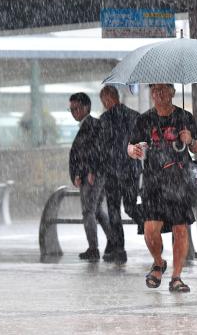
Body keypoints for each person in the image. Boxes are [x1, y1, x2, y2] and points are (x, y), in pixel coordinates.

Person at [127, 83, 197, 292]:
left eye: (162, 89)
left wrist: (191, 141)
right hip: (153, 182)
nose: (158, 94)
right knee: (150, 230)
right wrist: (132, 150)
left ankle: (176, 277)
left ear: (172, 92)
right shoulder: (144, 119)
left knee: (180, 229)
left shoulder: (185, 118)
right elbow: (131, 145)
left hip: (179, 181)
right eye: (154, 90)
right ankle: (159, 262)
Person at [98, 85, 140, 264]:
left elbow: (101, 149)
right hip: (131, 171)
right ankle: (148, 224)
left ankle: (120, 249)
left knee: (114, 211)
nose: (104, 104)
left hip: (113, 173)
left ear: (108, 99)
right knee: (130, 206)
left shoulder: (105, 119)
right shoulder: (135, 116)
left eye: (103, 101)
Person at [68, 92, 111, 262]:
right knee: (97, 211)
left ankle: (93, 248)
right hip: (90, 173)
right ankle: (114, 241)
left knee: (88, 211)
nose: (73, 112)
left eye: (76, 108)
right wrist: (77, 173)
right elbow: (84, 153)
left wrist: (92, 170)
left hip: (92, 175)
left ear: (86, 107)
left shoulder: (92, 125)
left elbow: (96, 150)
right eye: (71, 109)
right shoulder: (89, 125)